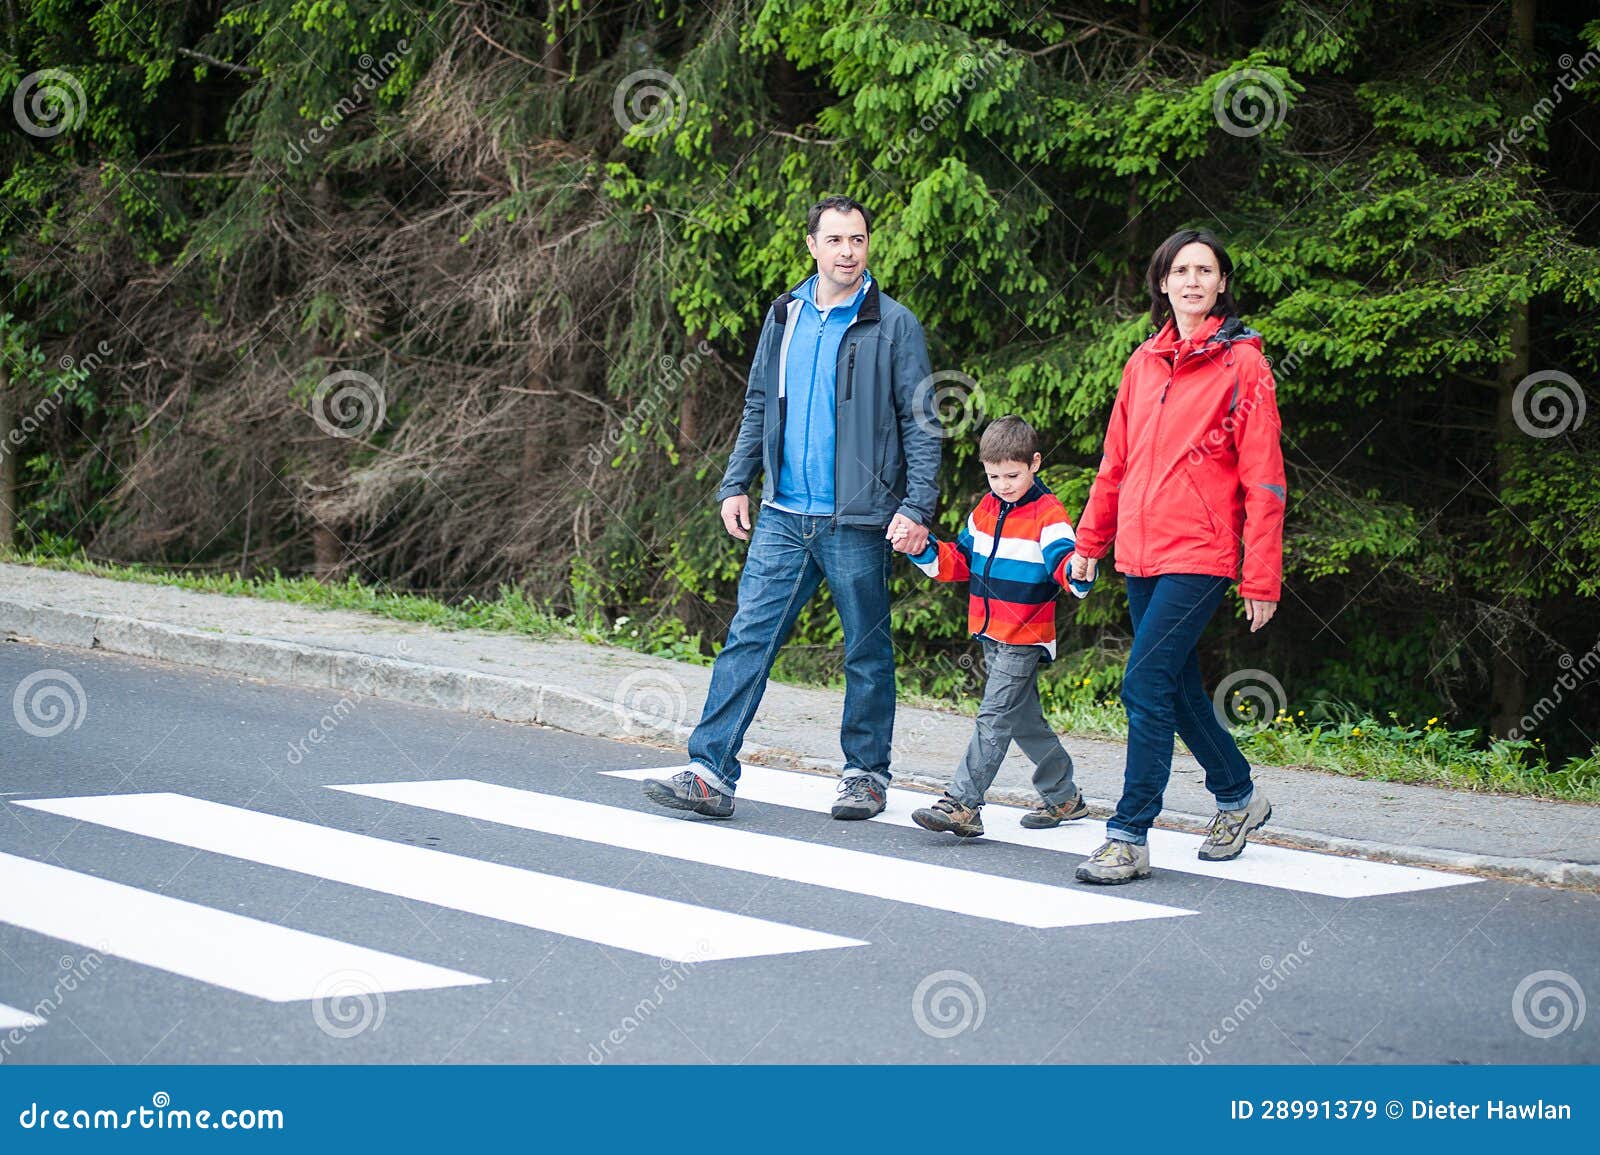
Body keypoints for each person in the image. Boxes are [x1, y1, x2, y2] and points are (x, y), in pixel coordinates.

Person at [642, 195, 940, 821]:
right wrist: (734, 483)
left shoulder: (893, 323)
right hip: (780, 512)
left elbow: (922, 421)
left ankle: (865, 774)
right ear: (812, 245)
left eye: (857, 240)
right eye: (835, 240)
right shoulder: (786, 314)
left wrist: (917, 506)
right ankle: (709, 771)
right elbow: (758, 403)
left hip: (856, 517)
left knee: (865, 646)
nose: (848, 252)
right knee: (748, 638)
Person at [1070, 228, 1286, 884]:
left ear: (1221, 284)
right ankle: (1240, 796)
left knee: (1143, 682)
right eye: (1180, 270)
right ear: (1163, 283)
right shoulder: (1143, 363)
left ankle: (1129, 832)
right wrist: (1088, 543)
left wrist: (1261, 573)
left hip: (1202, 550)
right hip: (1141, 551)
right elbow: (1115, 462)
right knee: (1178, 685)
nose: (1192, 280)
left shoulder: (1242, 364)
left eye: (1206, 270)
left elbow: (1264, 475)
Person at [896, 416, 1094, 839]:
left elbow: (1063, 562)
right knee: (1023, 721)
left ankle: (963, 803)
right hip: (989, 631)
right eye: (993, 476)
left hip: (1024, 634)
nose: (1003, 484)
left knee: (993, 717)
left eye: (1012, 475)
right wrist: (923, 546)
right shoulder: (986, 509)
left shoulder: (1050, 514)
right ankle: (1064, 797)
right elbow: (960, 562)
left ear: (1034, 463)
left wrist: (1078, 571)